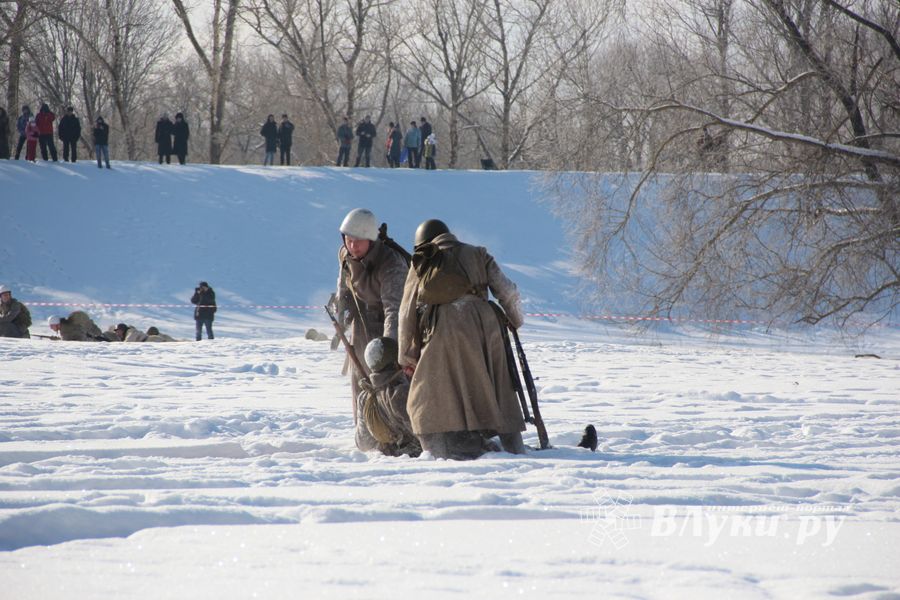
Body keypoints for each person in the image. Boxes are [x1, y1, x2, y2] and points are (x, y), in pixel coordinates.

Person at [398, 219, 527, 460]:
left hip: (444, 328)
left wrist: (407, 356)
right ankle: (513, 447)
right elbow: (508, 291)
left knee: (425, 395)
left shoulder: (423, 259)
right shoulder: (479, 254)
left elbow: (406, 313)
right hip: (486, 325)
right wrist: (515, 319)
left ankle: (436, 451)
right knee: (499, 388)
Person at [334, 208, 408, 443]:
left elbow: (395, 312)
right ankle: (367, 437)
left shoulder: (391, 263)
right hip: (361, 326)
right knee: (361, 382)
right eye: (348, 240)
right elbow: (344, 289)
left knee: (387, 384)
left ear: (371, 239)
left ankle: (398, 437)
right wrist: (341, 317)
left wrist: (388, 351)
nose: (352, 246)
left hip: (391, 330)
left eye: (358, 241)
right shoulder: (345, 255)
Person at [355, 336, 421, 457]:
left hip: (385, 460)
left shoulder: (364, 397)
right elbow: (423, 434)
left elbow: (363, 443)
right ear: (396, 362)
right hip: (414, 459)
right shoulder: (400, 392)